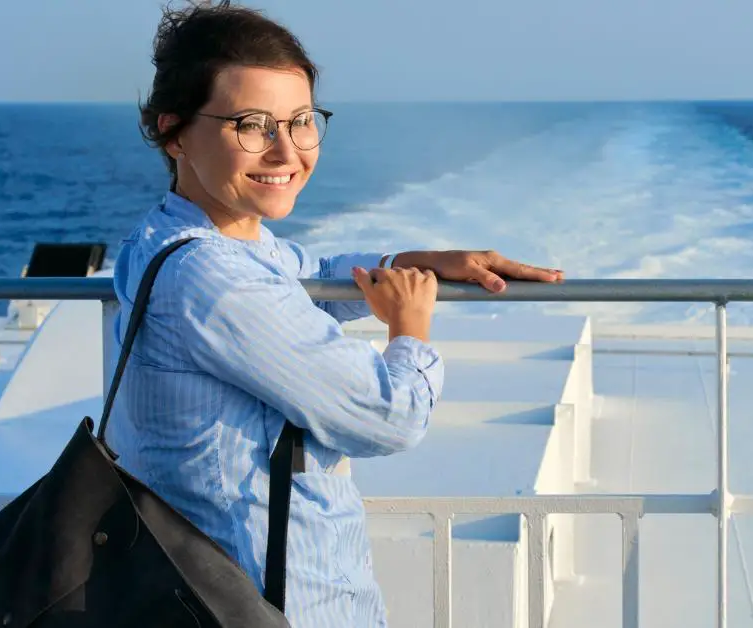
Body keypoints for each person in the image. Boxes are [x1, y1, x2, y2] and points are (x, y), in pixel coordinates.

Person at [107, 1, 563, 625]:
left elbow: (303, 273)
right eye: (251, 124)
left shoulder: (173, 240)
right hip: (272, 604)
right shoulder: (211, 277)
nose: (285, 150)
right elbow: (387, 417)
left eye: (300, 121)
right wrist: (409, 327)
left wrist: (415, 259)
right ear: (174, 131)